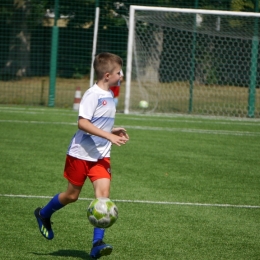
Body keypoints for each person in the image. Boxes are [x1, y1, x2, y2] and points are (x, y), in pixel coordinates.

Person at [34, 52, 129, 259]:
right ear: (106, 75)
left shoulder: (110, 95)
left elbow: (97, 123)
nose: (122, 76)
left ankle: (97, 244)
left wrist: (112, 131)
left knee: (103, 198)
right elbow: (83, 123)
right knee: (72, 196)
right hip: (80, 154)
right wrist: (108, 136)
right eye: (119, 72)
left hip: (101, 156)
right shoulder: (92, 94)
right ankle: (43, 214)